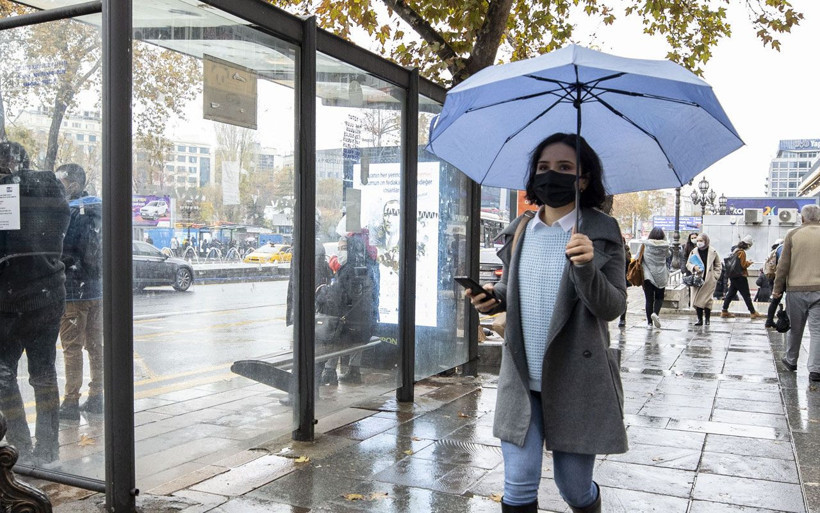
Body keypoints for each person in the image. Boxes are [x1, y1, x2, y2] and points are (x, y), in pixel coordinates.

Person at [467, 133, 626, 513]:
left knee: (573, 488)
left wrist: (586, 266)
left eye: (565, 168)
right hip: (521, 378)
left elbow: (611, 307)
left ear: (583, 179)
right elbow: (511, 287)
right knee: (518, 484)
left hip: (577, 379)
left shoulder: (603, 232)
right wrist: (492, 298)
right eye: (543, 167)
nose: (551, 175)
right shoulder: (522, 228)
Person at [0, 141, 70, 465]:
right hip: (48, 294)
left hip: (10, 299)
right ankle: (48, 450)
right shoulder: (49, 187)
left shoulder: (8, 194)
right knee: (43, 374)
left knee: (3, 374)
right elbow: (61, 227)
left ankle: (20, 445)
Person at [55, 164, 104, 420]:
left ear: (72, 184)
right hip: (96, 289)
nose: (58, 187)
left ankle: (70, 402)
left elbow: (63, 249)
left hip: (73, 291)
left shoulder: (71, 212)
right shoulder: (97, 209)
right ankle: (97, 396)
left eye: (60, 182)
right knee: (96, 346)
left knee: (72, 347)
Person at [319, 232, 376, 385]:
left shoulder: (347, 271)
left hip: (349, 326)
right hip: (362, 326)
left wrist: (323, 293)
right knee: (351, 331)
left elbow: (337, 299)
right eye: (339, 248)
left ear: (351, 249)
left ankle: (329, 371)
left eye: (343, 248)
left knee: (333, 332)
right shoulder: (365, 267)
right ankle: (354, 371)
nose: (340, 252)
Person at [773, 204, 820, 381]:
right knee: (817, 330)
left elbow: (783, 266)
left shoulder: (793, 234)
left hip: (796, 289)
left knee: (795, 328)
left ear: (802, 218)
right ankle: (815, 368)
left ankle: (791, 360)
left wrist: (777, 289)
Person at [720, 235, 764, 319]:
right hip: (740, 276)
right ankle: (753, 312)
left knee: (730, 294)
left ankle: (724, 310)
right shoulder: (742, 252)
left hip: (733, 276)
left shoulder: (735, 250)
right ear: (747, 245)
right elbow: (743, 265)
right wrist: (749, 263)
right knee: (746, 295)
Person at [686, 233, 722, 326]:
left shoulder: (713, 251)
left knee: (707, 300)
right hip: (698, 278)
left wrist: (715, 276)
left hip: (709, 279)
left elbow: (718, 265)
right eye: (697, 241)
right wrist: (694, 267)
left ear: (706, 241)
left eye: (701, 241)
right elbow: (688, 263)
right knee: (697, 299)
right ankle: (699, 319)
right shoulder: (694, 251)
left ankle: (707, 319)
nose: (699, 243)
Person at [641, 227, 670, 329]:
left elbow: (638, 257)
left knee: (649, 300)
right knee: (659, 297)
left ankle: (649, 323)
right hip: (661, 275)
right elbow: (668, 255)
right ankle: (655, 314)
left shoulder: (645, 245)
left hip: (647, 275)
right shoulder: (665, 246)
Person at [764, 239, 784, 328]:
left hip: (772, 277)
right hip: (781, 278)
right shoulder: (783, 249)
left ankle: (769, 321)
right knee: (787, 300)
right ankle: (783, 320)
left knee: (775, 300)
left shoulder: (774, 250)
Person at [619, 237, 631, 328]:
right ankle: (622, 319)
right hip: (623, 278)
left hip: (621, 278)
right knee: (623, 299)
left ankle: (622, 319)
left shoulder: (624, 252)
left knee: (623, 299)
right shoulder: (626, 252)